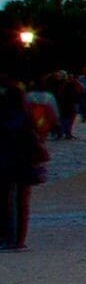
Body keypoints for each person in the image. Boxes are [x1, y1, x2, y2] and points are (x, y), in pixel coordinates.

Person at [1, 82, 40, 250]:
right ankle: (20, 239)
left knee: (4, 201)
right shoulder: (27, 114)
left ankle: (5, 237)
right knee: (22, 201)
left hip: (3, 161)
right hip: (24, 161)